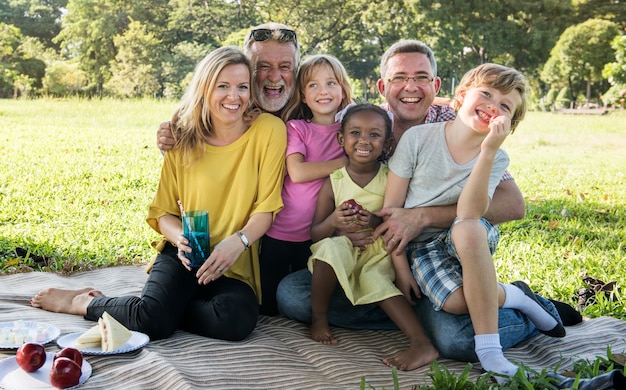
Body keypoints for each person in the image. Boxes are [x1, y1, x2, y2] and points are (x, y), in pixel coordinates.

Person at [276, 39, 579, 362]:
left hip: (433, 254)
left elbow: (513, 205)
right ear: (383, 86)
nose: (411, 87)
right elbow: (338, 182)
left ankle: (511, 307)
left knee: (458, 341)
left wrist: (423, 216)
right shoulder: (365, 124)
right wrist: (345, 226)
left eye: (421, 77)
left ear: (435, 85)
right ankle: (421, 316)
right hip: (375, 256)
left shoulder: (460, 123)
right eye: (399, 78)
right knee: (294, 296)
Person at [31, 46, 287, 342]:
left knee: (234, 320)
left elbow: (266, 209)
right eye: (223, 86)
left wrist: (238, 242)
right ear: (204, 89)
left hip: (232, 262)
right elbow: (163, 212)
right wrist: (181, 239)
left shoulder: (269, 130)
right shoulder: (183, 137)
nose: (235, 97)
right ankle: (84, 302)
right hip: (185, 253)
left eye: (242, 87)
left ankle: (158, 309)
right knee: (153, 323)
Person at [384, 63, 564, 381]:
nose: (494, 104)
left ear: (510, 123)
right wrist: (400, 269)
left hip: (468, 236)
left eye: (505, 105)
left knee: (466, 227)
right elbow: (391, 213)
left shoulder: (497, 157)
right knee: (455, 302)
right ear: (462, 94)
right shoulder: (418, 139)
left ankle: (489, 350)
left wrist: (488, 151)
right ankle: (517, 296)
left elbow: (469, 213)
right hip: (422, 245)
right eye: (486, 93)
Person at [308, 103, 439, 371]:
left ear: (388, 143)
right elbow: (315, 235)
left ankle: (421, 342)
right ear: (341, 139)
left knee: (374, 279)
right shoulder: (333, 181)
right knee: (329, 250)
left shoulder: (391, 178)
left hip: (379, 252)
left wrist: (376, 220)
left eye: (374, 135)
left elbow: (397, 219)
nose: (364, 141)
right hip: (343, 251)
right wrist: (333, 221)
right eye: (355, 133)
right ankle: (319, 318)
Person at [258, 54, 352, 315]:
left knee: (303, 297)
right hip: (279, 232)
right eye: (313, 85)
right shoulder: (296, 128)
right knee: (267, 306)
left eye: (331, 83)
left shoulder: (350, 132)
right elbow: (297, 172)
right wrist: (348, 162)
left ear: (343, 91)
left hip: (320, 236)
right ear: (302, 95)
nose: (323, 91)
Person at [156, 22, 299, 151]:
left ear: (297, 69)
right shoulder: (225, 109)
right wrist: (168, 140)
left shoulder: (313, 111)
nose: (274, 77)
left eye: (285, 67)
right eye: (263, 66)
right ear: (246, 70)